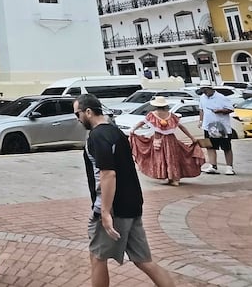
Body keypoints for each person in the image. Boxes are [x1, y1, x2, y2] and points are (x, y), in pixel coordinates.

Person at [75, 94, 175, 287]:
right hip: (132, 204)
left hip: (114, 209)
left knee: (97, 257)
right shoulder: (116, 132)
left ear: (88, 112)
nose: (77, 119)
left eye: (77, 114)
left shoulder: (97, 136)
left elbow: (108, 174)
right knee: (144, 260)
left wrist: (104, 212)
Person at [128, 97, 203, 186]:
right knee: (172, 158)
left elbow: (141, 123)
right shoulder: (171, 115)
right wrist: (191, 138)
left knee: (161, 159)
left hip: (157, 139)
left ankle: (168, 176)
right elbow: (181, 127)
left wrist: (133, 130)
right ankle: (174, 178)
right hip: (171, 140)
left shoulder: (152, 115)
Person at [197, 86, 236, 175]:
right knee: (210, 146)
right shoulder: (202, 97)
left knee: (226, 147)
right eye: (203, 91)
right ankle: (212, 165)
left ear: (211, 89)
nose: (205, 93)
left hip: (220, 125)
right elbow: (201, 110)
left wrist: (221, 110)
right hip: (208, 125)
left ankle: (229, 167)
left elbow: (231, 109)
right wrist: (201, 121)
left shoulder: (221, 97)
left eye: (206, 91)